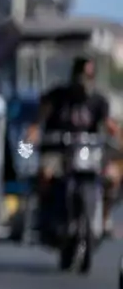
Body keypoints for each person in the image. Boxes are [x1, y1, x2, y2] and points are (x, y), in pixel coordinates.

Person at [27, 56, 122, 237]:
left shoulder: (99, 101)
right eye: (81, 76)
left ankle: (104, 218)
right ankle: (43, 214)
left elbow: (109, 125)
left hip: (88, 151)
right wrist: (32, 136)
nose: (83, 82)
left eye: (88, 77)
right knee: (45, 175)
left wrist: (116, 137)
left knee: (112, 177)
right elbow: (38, 121)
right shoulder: (57, 97)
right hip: (58, 150)